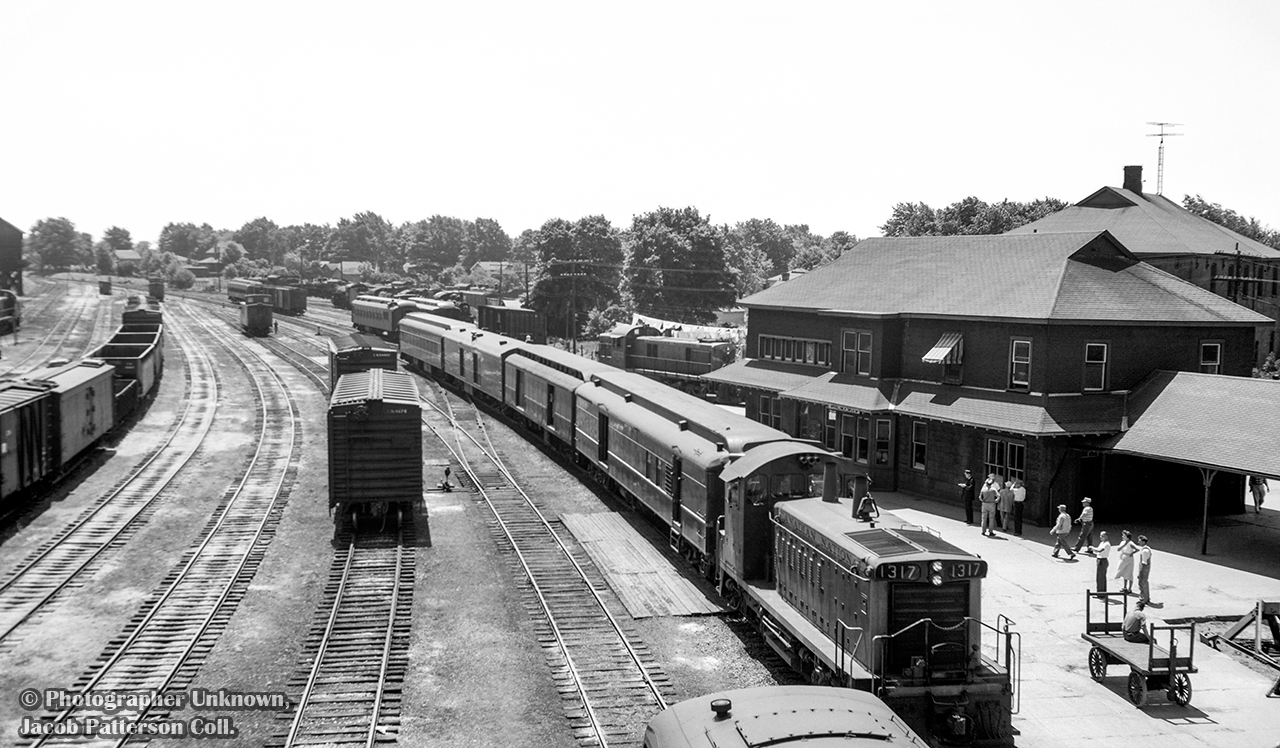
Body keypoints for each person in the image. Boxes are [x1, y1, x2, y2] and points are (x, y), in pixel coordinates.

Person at [1113, 530, 1137, 594]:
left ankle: (1130, 588)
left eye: (1124, 536)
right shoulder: (1122, 542)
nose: (1122, 537)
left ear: (1127, 537)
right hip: (1123, 557)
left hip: (1129, 558)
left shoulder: (1131, 543)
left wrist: (1132, 553)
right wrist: (1124, 544)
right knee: (1124, 572)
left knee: (1129, 572)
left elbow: (1137, 549)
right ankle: (1125, 587)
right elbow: (1118, 549)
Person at [1089, 531, 1112, 598]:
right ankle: (1099, 592)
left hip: (1102, 561)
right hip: (1099, 559)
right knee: (1099, 578)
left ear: (1106, 536)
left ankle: (1101, 594)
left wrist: (1092, 548)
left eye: (1102, 536)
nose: (1100, 537)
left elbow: (1099, 550)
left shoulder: (1107, 544)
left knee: (1101, 577)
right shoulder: (1102, 543)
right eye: (1100, 536)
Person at [1136, 535, 1153, 604]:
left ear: (1143, 542)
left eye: (1140, 541)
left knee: (1143, 583)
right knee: (1143, 583)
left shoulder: (1145, 551)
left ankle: (1144, 599)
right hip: (1145, 568)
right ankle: (1144, 597)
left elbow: (1144, 563)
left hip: (1144, 569)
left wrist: (1140, 573)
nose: (1138, 542)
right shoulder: (1146, 549)